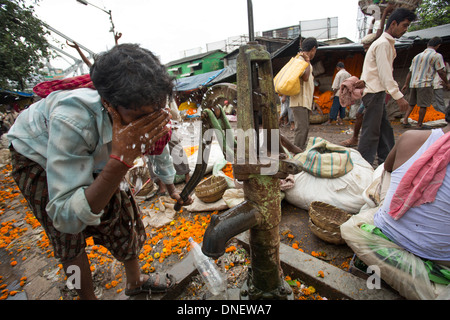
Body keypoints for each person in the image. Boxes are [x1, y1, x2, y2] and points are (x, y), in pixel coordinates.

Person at [6, 44, 193, 300]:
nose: (148, 123)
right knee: (67, 240)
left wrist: (172, 188)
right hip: (36, 153)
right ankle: (86, 297)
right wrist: (118, 163)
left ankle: (135, 281)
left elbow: (155, 141)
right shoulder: (73, 119)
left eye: (155, 114)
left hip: (100, 151)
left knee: (124, 213)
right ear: (109, 104)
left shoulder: (148, 106)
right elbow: (65, 216)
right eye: (140, 118)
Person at [373, 107, 450, 266]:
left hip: (388, 231)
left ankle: (391, 213)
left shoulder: (411, 137)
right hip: (439, 257)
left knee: (384, 171)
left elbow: (388, 167)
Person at [358, 8, 416, 166]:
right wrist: (399, 97)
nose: (405, 30)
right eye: (404, 26)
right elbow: (385, 75)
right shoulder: (383, 44)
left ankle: (388, 161)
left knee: (385, 131)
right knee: (371, 133)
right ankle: (363, 166)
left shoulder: (385, 43)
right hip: (375, 93)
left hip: (377, 93)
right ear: (394, 24)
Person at [340, 3, 394, 147]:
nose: (365, 50)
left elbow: (378, 34)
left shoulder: (379, 46)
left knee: (371, 122)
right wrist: (372, 21)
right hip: (370, 91)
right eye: (363, 47)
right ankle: (383, 147)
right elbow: (371, 35)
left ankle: (360, 142)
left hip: (376, 92)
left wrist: (383, 15)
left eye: (366, 47)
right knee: (378, 121)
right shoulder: (370, 52)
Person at [401, 37, 449, 129]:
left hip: (413, 84)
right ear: (438, 45)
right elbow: (441, 72)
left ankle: (405, 120)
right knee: (423, 105)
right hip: (425, 83)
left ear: (428, 45)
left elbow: (410, 72)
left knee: (412, 104)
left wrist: (406, 84)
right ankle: (419, 124)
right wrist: (447, 83)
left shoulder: (417, 56)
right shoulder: (436, 56)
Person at [289, 37, 318, 149]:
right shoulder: (302, 60)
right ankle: (296, 153)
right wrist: (308, 61)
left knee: (304, 128)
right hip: (299, 101)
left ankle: (299, 151)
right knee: (301, 129)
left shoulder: (303, 60)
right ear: (313, 49)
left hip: (304, 101)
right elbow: (305, 77)